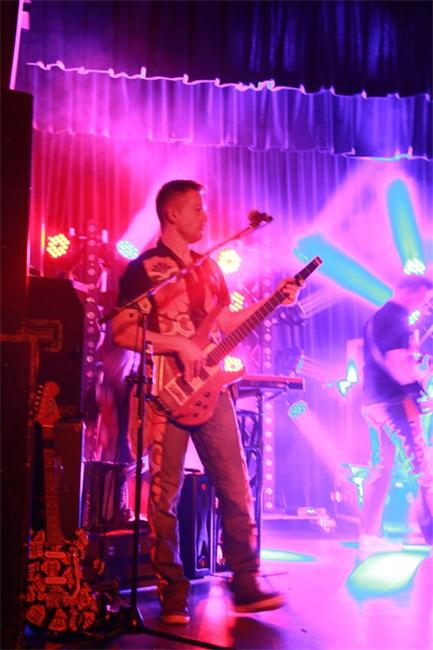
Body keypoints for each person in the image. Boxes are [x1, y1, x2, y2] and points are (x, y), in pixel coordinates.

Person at [112, 179, 302, 624]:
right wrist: (176, 344)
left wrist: (275, 300)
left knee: (236, 486)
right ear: (172, 213)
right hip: (166, 392)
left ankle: (246, 582)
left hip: (212, 391)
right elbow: (121, 331)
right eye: (197, 208)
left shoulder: (209, 268)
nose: (206, 217)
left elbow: (227, 322)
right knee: (164, 496)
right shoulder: (144, 270)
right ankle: (172, 592)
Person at [360, 274, 433, 552]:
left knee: (380, 468)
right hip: (393, 402)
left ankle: (369, 536)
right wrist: (418, 392)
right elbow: (398, 364)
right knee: (422, 468)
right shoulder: (395, 321)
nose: (424, 304)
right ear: (411, 292)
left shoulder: (376, 319)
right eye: (424, 297)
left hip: (373, 402)